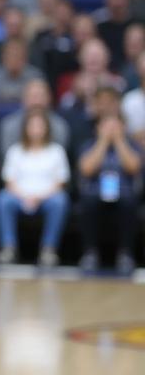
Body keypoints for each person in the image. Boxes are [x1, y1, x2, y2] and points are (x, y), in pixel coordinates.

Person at [77, 85, 141, 274]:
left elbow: (133, 166)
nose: (110, 128)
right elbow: (86, 169)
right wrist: (104, 141)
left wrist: (119, 140)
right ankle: (90, 252)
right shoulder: (90, 144)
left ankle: (126, 253)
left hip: (124, 192)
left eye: (115, 125)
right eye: (106, 125)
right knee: (87, 202)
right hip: (95, 192)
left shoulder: (130, 144)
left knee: (129, 203)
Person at [0, 108, 70, 267]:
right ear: (25, 128)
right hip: (19, 197)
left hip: (47, 197)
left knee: (60, 200)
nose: (36, 130)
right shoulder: (15, 151)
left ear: (47, 128)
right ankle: (8, 248)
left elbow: (60, 182)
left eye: (39, 126)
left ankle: (49, 250)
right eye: (32, 126)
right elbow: (9, 181)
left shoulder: (56, 151)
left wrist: (39, 197)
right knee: (2, 199)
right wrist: (25, 197)